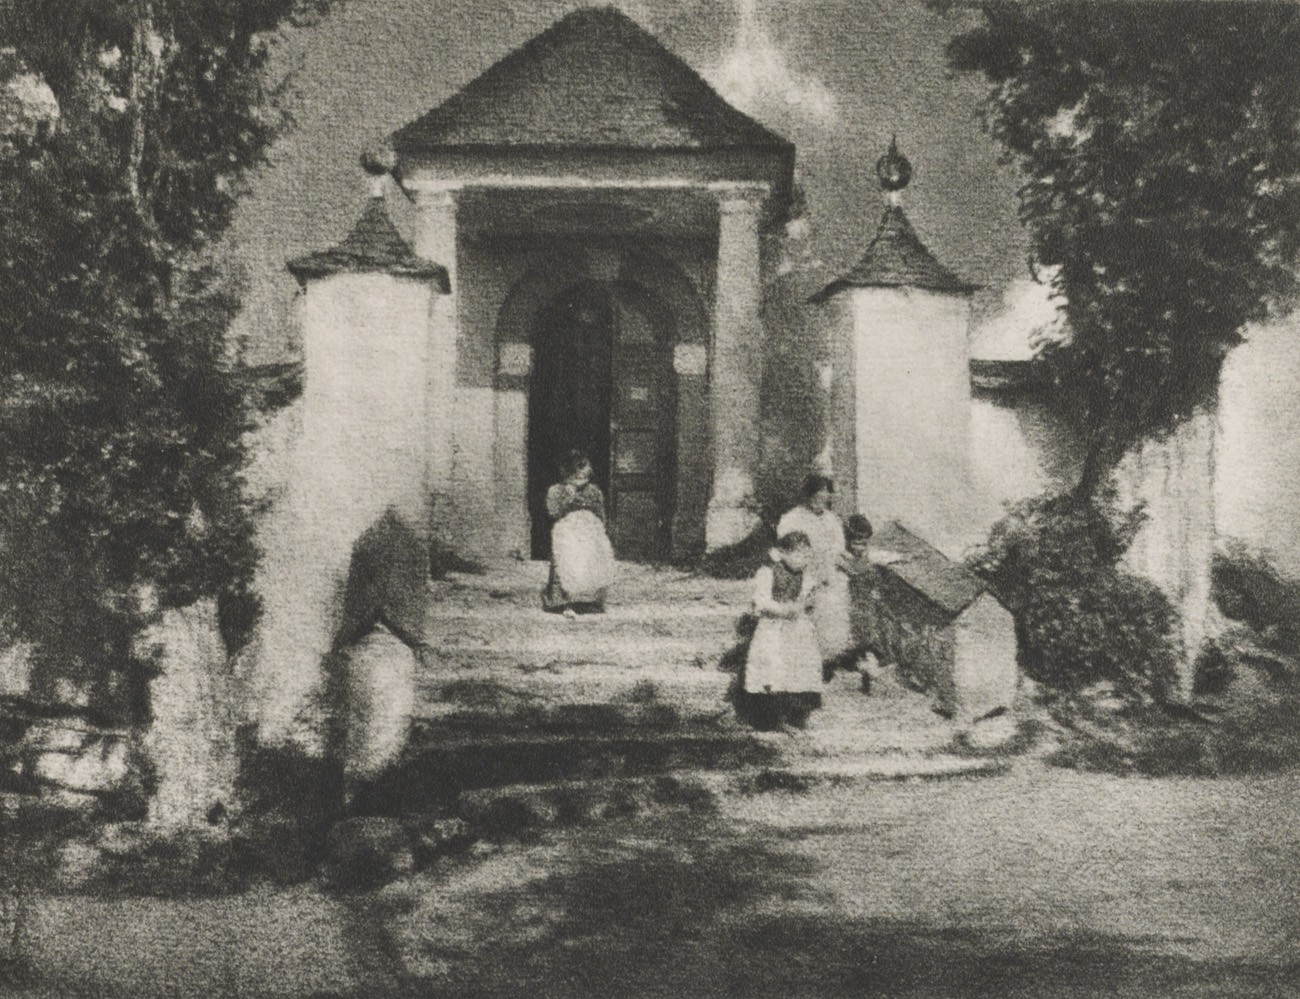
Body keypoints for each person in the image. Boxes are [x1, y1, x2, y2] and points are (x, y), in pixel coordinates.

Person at [742, 531, 823, 729]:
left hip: (796, 629)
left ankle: (796, 713)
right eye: (798, 555)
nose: (803, 560)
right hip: (773, 628)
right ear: (783, 553)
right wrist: (783, 609)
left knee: (799, 668)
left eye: (806, 556)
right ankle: (770, 717)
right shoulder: (768, 573)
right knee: (773, 668)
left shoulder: (805, 576)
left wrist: (808, 603)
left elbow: (806, 599)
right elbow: (760, 602)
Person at [777, 474, 854, 676]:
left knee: (830, 615)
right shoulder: (793, 518)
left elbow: (838, 547)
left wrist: (840, 559)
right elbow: (787, 547)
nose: (822, 497)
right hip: (803, 572)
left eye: (826, 493)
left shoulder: (832, 520)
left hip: (828, 575)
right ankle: (800, 662)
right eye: (817, 493)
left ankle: (825, 660)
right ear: (808, 495)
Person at [542, 449, 615, 616]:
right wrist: (569, 499)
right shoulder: (556, 490)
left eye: (585, 471)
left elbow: (601, 512)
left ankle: (589, 599)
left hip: (589, 531)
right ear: (567, 471)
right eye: (578, 471)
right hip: (567, 530)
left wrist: (600, 529)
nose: (583, 475)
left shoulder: (594, 490)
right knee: (566, 562)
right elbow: (553, 512)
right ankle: (563, 601)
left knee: (591, 562)